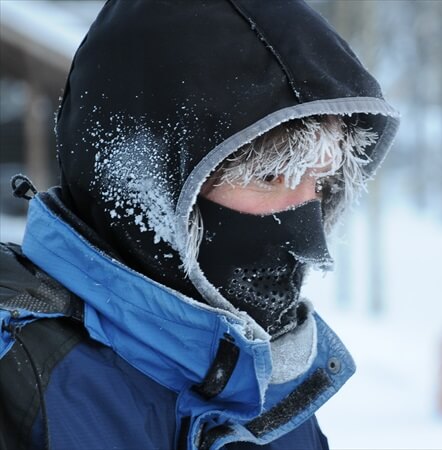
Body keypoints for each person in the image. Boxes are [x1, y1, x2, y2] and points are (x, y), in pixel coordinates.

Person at [0, 1, 398, 449]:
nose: (312, 244)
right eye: (269, 176)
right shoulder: (19, 386)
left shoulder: (265, 384)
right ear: (143, 184)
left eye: (321, 183)